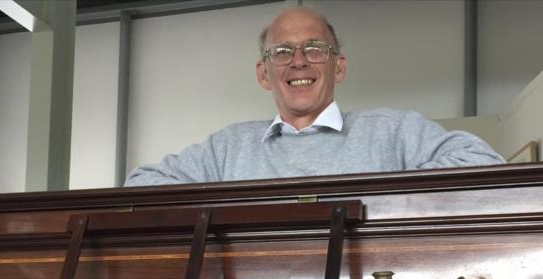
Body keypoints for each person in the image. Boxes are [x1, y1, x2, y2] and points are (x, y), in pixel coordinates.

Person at [125, 8, 503, 186]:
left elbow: (484, 162)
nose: (299, 62)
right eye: (282, 52)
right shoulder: (226, 148)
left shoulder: (394, 131)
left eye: (315, 49)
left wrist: (385, 197)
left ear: (338, 67)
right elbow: (142, 184)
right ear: (264, 74)